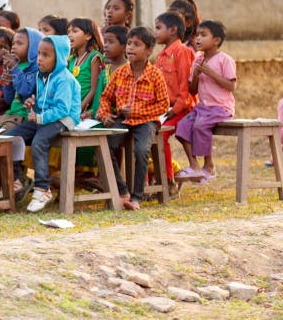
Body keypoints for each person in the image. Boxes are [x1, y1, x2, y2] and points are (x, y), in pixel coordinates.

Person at [5, 35, 81, 213]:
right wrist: (32, 104)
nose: (39, 58)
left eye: (46, 55)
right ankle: (16, 180)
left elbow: (62, 109)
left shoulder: (64, 79)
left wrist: (39, 118)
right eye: (39, 53)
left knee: (39, 142)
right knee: (12, 137)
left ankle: (42, 189)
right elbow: (42, 102)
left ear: (59, 58)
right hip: (44, 117)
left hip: (64, 119)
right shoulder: (41, 76)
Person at [97, 27, 169, 211]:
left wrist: (136, 111)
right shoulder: (120, 73)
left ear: (149, 50)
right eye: (129, 43)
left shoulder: (155, 75)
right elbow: (106, 97)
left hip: (146, 121)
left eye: (137, 44)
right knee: (105, 146)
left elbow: (162, 105)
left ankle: (137, 196)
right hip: (123, 120)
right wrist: (105, 115)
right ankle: (122, 190)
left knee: (141, 150)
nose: (131, 48)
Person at [174, 21, 237, 183]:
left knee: (200, 126)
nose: (198, 39)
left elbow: (231, 86)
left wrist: (210, 73)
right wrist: (195, 75)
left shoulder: (225, 60)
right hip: (202, 108)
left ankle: (209, 166)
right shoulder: (197, 60)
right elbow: (192, 90)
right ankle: (194, 165)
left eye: (203, 35)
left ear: (216, 40)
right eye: (197, 35)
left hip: (221, 108)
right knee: (182, 126)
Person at [154, 12, 196, 193]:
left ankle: (167, 181)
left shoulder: (183, 52)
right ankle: (152, 180)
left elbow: (185, 86)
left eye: (158, 28)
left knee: (160, 135)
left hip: (183, 108)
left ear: (172, 30)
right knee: (145, 133)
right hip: (165, 109)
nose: (155, 32)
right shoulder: (161, 56)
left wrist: (175, 108)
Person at [1, 27, 42, 199]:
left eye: (20, 43)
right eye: (13, 43)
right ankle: (2, 181)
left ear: (33, 47)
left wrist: (15, 69)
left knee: (8, 138)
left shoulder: (35, 68)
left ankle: (17, 178)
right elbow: (9, 98)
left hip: (26, 117)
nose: (14, 47)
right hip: (12, 113)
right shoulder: (18, 66)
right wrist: (7, 83)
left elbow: (26, 89)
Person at [67, 18, 104, 120]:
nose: (70, 35)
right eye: (68, 32)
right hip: (70, 107)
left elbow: (94, 89)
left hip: (83, 109)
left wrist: (78, 110)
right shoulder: (71, 60)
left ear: (88, 35)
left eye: (74, 31)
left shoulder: (94, 57)